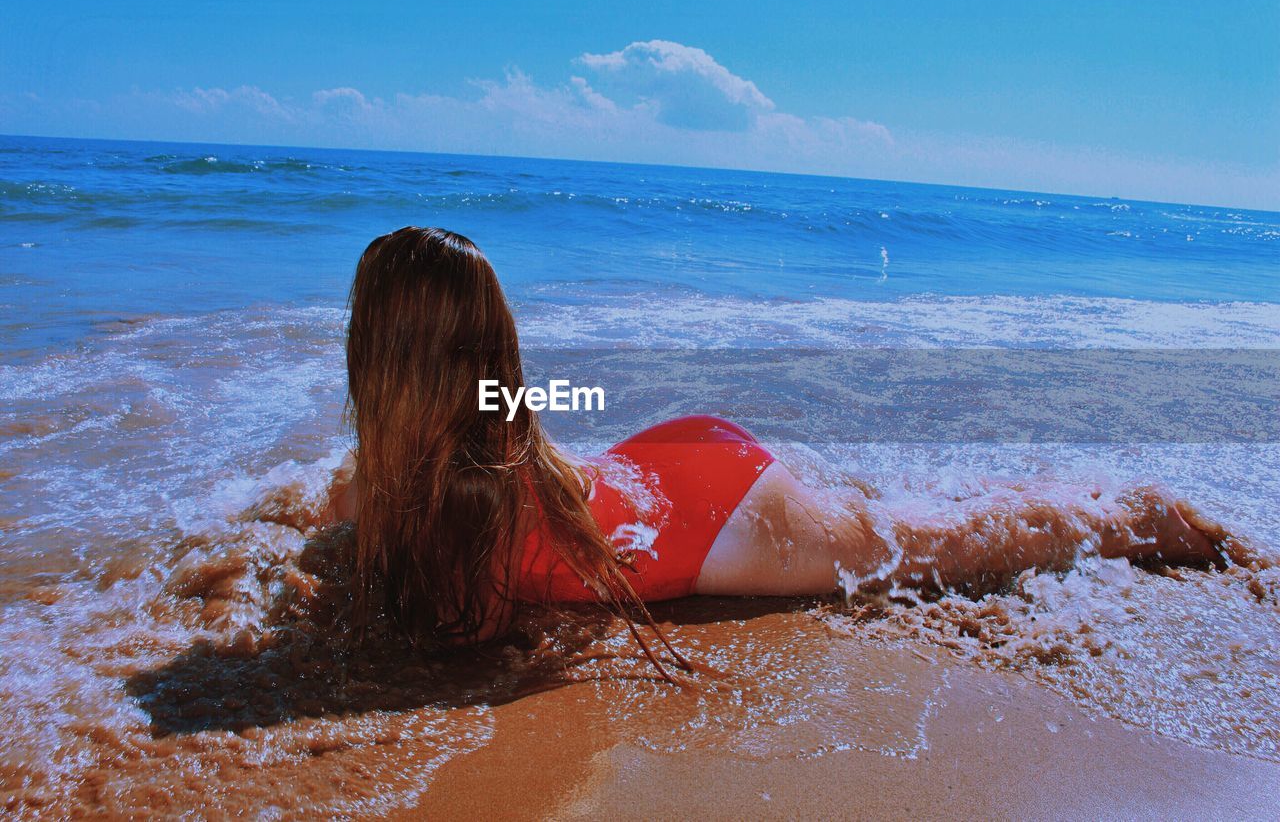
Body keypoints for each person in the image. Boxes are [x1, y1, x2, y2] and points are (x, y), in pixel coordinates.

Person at [325, 226, 1245, 665]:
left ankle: (1141, 515)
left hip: (714, 518)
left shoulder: (429, 498)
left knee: (932, 548)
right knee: (898, 519)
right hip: (654, 465)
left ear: (376, 357)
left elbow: (471, 641)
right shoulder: (375, 484)